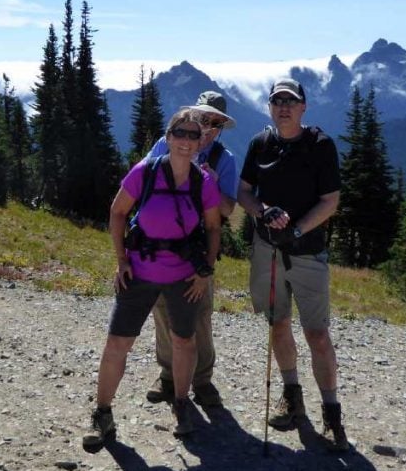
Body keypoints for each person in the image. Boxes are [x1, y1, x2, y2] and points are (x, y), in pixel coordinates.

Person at [83, 109, 223, 450]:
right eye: (181, 133)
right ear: (169, 136)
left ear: (200, 142)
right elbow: (117, 212)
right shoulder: (144, 173)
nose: (188, 141)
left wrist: (205, 271)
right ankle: (102, 413)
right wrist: (121, 261)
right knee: (118, 343)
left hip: (183, 277)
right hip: (140, 272)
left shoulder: (202, 182)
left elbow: (214, 227)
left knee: (184, 341)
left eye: (194, 135)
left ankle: (180, 403)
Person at [236, 78, 349, 451]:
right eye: (276, 100)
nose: (283, 106)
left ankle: (331, 412)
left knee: (317, 333)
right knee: (278, 323)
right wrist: (262, 211)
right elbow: (244, 192)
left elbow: (330, 200)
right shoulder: (260, 144)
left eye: (291, 100)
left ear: (303, 107)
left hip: (307, 252)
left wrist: (297, 230)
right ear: (269, 106)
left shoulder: (320, 146)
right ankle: (292, 392)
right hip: (267, 250)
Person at [143, 91, 238, 408]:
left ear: (221, 125)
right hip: (161, 244)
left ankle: (203, 379)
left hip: (197, 247)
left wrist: (210, 183)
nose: (207, 126)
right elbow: (141, 178)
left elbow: (226, 210)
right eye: (202, 117)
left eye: (214, 121)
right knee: (162, 311)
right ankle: (168, 375)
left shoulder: (224, 160)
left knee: (199, 313)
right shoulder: (165, 143)